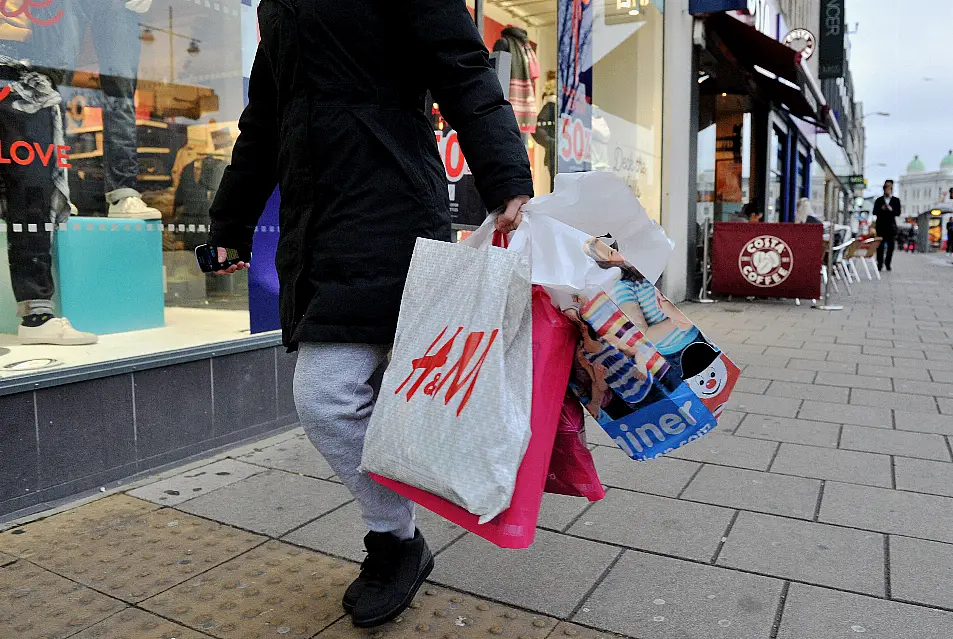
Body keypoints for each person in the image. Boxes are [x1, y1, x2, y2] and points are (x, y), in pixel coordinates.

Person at [207, 0, 533, 628]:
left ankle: (402, 529)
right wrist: (230, 222)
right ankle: (397, 540)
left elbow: (464, 69)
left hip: (394, 209)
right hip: (319, 224)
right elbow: (265, 121)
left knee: (341, 395)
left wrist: (505, 176)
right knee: (336, 396)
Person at [1, 3, 97, 345]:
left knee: (31, 201)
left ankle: (37, 315)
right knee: (30, 200)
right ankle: (36, 315)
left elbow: (59, 45)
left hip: (28, 87)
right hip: (27, 85)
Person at [873, 180, 902, 271]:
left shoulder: (895, 200)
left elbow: (898, 213)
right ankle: (880, 263)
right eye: (886, 188)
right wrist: (881, 209)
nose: (888, 190)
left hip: (891, 228)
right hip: (881, 227)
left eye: (890, 188)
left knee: (891, 247)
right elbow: (875, 212)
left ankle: (888, 263)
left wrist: (891, 210)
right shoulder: (879, 200)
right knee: (880, 247)